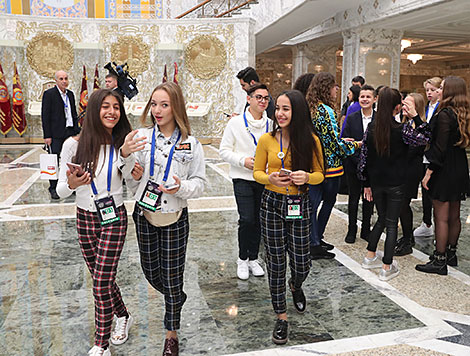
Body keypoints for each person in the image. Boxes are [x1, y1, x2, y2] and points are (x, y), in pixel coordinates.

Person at [57, 89, 145, 356]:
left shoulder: (124, 143)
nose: (111, 112)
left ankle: (101, 344)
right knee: (102, 279)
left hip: (114, 217)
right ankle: (123, 314)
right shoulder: (73, 145)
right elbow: (62, 189)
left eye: (116, 107)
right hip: (85, 217)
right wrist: (71, 183)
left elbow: (133, 185)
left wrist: (130, 161)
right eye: (105, 106)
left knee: (100, 282)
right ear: (94, 110)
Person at [125, 82, 206, 356]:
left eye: (164, 105)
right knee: (151, 271)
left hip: (175, 215)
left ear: (176, 108)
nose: (157, 110)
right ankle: (176, 297)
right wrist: (133, 174)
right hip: (144, 213)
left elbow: (200, 183)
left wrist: (180, 186)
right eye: (154, 104)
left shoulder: (191, 144)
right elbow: (129, 179)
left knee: (172, 276)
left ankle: (171, 333)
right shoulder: (141, 137)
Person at [253, 89, 324, 345]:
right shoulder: (266, 140)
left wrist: (306, 177)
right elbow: (257, 173)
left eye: (286, 109)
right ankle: (281, 316)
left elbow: (320, 175)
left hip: (299, 203)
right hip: (272, 202)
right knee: (275, 262)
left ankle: (296, 284)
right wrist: (269, 178)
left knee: (302, 260)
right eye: (278, 108)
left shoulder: (311, 141)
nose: (280, 113)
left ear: (297, 112)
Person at [358, 87, 430, 281]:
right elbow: (424, 138)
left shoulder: (372, 127)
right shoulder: (402, 129)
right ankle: (386, 266)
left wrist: (366, 183)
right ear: (397, 107)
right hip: (396, 183)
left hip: (377, 183)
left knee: (381, 219)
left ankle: (369, 256)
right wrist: (416, 117)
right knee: (391, 225)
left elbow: (363, 158)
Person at [416, 76, 470, 275]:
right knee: (455, 215)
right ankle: (451, 253)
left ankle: (439, 260)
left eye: (443, 88)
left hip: (444, 167)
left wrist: (428, 172)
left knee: (441, 216)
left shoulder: (445, 114)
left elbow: (439, 148)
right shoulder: (463, 113)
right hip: (460, 166)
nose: (440, 91)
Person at [219, 83, 272, 280]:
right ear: (249, 99)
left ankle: (253, 258)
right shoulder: (236, 123)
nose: (262, 101)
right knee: (247, 219)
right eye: (258, 97)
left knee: (259, 219)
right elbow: (224, 150)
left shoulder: (271, 125)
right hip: (242, 177)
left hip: (264, 179)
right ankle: (242, 258)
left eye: (266, 98)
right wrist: (243, 161)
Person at [306, 72, 360, 259]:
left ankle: (314, 239)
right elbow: (333, 145)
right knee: (327, 202)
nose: (337, 90)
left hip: (314, 164)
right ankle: (315, 241)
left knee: (312, 205)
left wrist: (340, 139)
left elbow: (325, 138)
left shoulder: (311, 108)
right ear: (326, 88)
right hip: (330, 166)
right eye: (334, 86)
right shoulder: (326, 111)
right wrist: (355, 145)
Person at [341, 84, 376, 243]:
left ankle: (366, 229)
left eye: (368, 97)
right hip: (353, 164)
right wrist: (357, 160)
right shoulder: (352, 117)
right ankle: (351, 229)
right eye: (362, 96)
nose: (365, 99)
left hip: (372, 167)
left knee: (369, 199)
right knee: (353, 198)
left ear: (374, 99)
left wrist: (368, 164)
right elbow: (347, 141)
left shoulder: (379, 118)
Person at [395, 93, 427, 256]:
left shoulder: (421, 126)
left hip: (411, 170)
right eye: (403, 104)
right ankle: (407, 237)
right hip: (400, 169)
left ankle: (408, 240)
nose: (404, 107)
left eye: (408, 104)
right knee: (400, 205)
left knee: (403, 204)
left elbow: (418, 146)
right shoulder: (404, 124)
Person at [41, 70, 80, 200]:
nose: (64, 81)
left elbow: (73, 113)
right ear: (56, 81)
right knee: (53, 160)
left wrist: (77, 131)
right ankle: (53, 188)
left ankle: (70, 185)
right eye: (61, 79)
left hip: (70, 132)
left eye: (66, 78)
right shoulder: (49, 94)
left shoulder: (71, 94)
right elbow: (45, 116)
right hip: (55, 133)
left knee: (70, 159)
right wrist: (47, 135)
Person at [413, 77, 442, 238]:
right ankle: (427, 222)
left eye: (433, 90)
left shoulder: (441, 109)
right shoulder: (426, 108)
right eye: (427, 90)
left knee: (433, 189)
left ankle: (435, 222)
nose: (429, 93)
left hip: (435, 155)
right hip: (424, 154)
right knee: (425, 190)